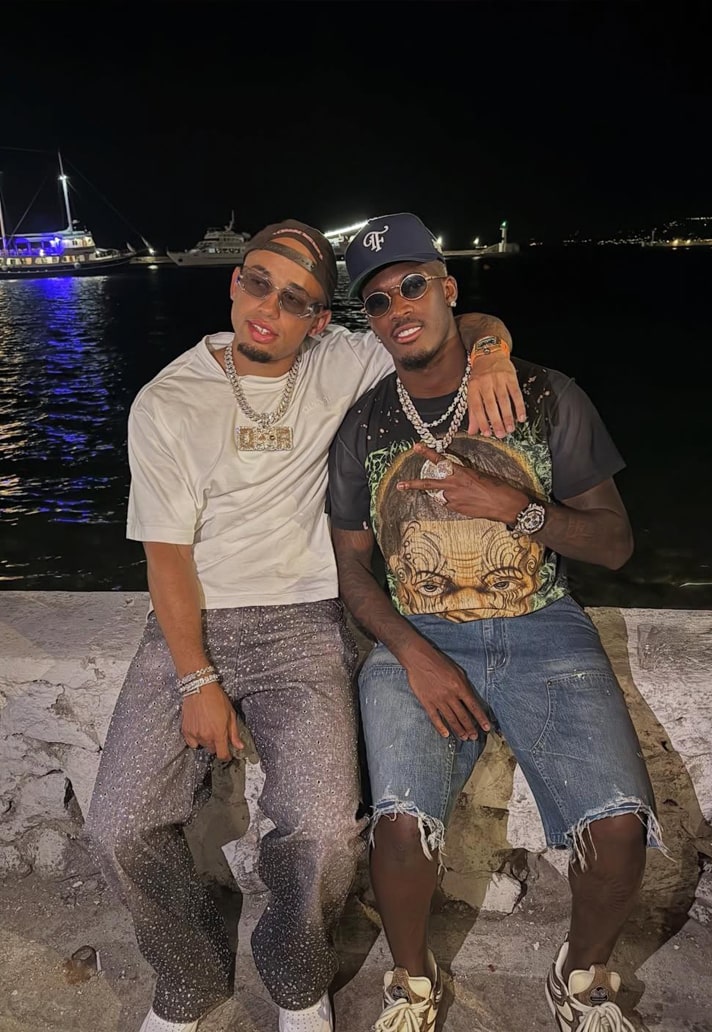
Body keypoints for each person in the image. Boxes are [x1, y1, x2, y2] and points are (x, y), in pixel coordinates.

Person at [84, 217, 525, 1032]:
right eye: (258, 283)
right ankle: (187, 974)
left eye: (295, 300)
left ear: (320, 320)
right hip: (192, 620)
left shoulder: (343, 360)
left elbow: (457, 327)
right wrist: (197, 677)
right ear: (234, 282)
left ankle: (294, 974)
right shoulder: (168, 401)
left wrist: (493, 353)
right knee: (118, 827)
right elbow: (166, 559)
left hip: (302, 621)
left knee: (324, 829)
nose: (269, 309)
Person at [327, 212, 666, 1032]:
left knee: (619, 831)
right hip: (417, 632)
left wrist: (516, 508)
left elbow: (614, 544)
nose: (398, 307)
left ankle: (581, 977)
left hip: (542, 623)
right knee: (398, 831)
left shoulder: (545, 396)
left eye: (413, 285)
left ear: (447, 288)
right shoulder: (364, 425)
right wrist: (411, 653)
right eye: (378, 300)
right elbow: (351, 570)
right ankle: (413, 982)